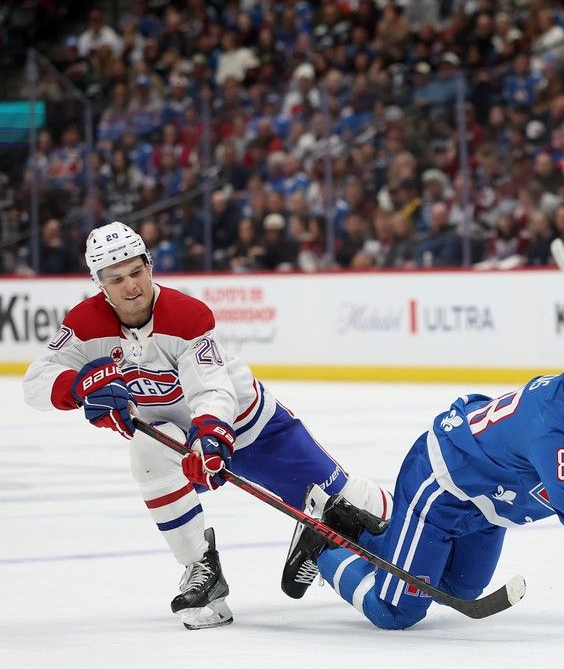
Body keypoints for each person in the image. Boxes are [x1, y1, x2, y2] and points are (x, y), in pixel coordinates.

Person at [22, 221, 390, 630]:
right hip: (178, 446)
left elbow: (211, 388)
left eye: (136, 271)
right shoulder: (84, 325)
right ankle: (202, 568)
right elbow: (35, 382)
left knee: (350, 502)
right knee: (145, 452)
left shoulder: (185, 314)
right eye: (116, 278)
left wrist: (211, 434)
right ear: (99, 284)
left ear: (150, 266)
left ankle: (407, 532)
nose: (130, 286)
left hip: (254, 430)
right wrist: (79, 386)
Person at [281, 330, 564, 630]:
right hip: (442, 488)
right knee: (398, 611)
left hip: (493, 502)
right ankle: (326, 544)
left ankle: (353, 524)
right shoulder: (557, 431)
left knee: (459, 589)